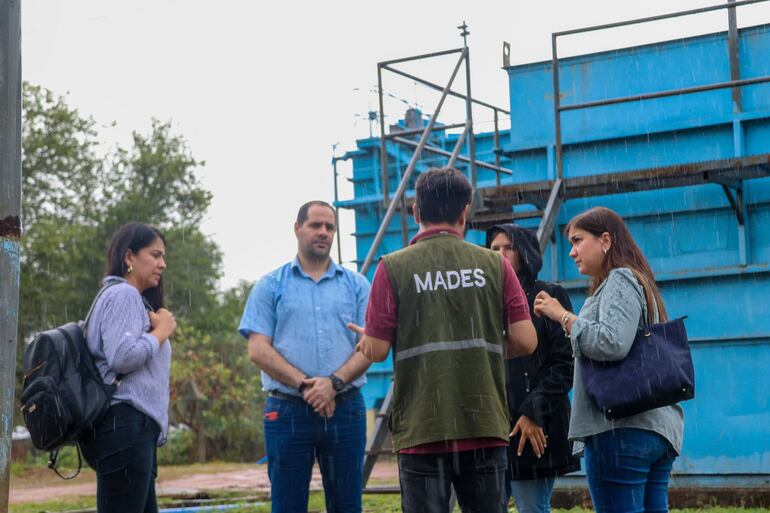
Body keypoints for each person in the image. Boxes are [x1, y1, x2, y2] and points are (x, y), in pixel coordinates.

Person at [349, 168, 538, 513]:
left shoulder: (392, 267)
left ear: (416, 212)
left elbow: (375, 351)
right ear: (465, 211)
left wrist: (368, 341)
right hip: (482, 423)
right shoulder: (494, 265)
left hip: (424, 428)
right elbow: (526, 340)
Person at [532, 206, 684, 513]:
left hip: (621, 430)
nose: (572, 252)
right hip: (652, 428)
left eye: (577, 241)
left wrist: (562, 316)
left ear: (605, 240)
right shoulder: (640, 281)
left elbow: (612, 342)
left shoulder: (620, 279)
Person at [239, 200, 372, 513]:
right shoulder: (269, 286)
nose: (323, 232)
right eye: (315, 225)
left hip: (346, 409)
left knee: (348, 505)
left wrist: (333, 384)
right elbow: (257, 349)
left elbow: (371, 346)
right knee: (287, 505)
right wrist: (306, 385)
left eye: (329, 227)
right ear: (297, 228)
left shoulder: (357, 286)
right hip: (287, 412)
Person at [80, 222, 176, 513]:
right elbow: (122, 357)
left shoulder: (126, 297)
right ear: (129, 257)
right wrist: (161, 332)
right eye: (155, 255)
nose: (162, 263)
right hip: (125, 427)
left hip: (130, 431)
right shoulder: (124, 295)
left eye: (163, 257)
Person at [486, 224, 580, 513]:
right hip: (494, 425)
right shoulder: (485, 298)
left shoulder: (547, 295)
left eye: (508, 247)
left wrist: (532, 412)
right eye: (494, 249)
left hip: (538, 423)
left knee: (532, 507)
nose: (500, 255)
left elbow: (565, 364)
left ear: (524, 252)